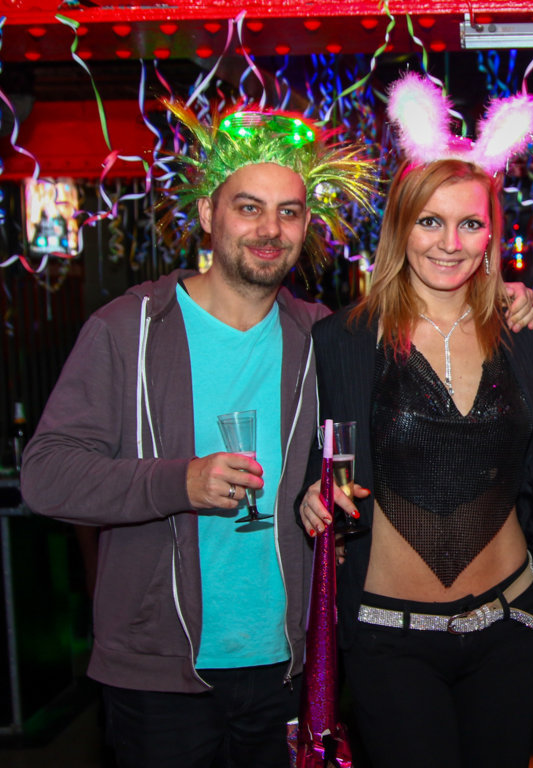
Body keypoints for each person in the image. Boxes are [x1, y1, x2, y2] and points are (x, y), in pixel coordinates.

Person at [20, 103, 376, 768]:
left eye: (289, 212)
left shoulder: (320, 336)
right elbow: (46, 475)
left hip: (286, 664)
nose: (270, 230)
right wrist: (179, 482)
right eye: (249, 207)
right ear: (209, 214)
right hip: (158, 670)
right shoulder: (128, 330)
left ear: (306, 225)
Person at [297, 73, 533, 768]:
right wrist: (307, 497)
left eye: (470, 223)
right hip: (392, 639)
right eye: (430, 221)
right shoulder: (343, 340)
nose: (450, 242)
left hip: (511, 625)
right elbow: (315, 464)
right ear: (400, 226)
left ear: (491, 233)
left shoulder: (518, 332)